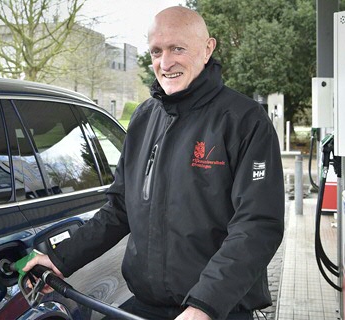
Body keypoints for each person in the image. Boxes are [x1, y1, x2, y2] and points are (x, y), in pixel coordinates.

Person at [24, 6, 285, 320]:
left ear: (208, 48)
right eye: (157, 51)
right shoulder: (145, 117)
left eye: (177, 48)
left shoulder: (244, 121)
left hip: (216, 310)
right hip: (147, 307)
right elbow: (120, 207)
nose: (165, 62)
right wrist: (60, 259)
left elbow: (257, 225)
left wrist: (204, 304)